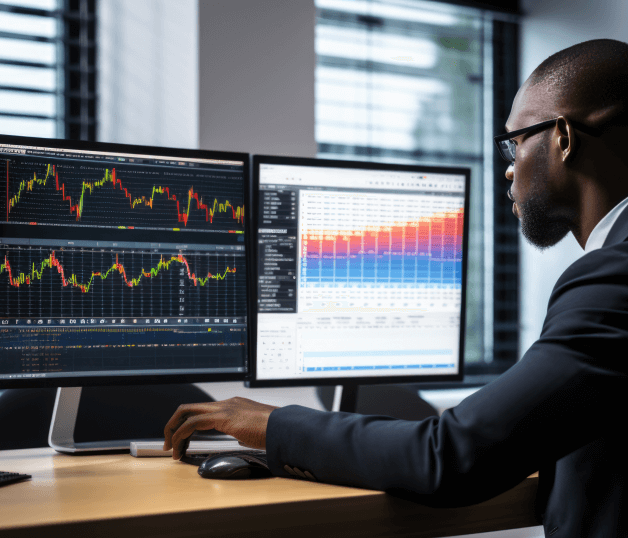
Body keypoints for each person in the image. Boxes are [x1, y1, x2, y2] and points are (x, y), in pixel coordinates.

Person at [164, 39, 628, 537]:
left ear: (562, 137)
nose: (510, 168)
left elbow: (449, 456)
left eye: (515, 142)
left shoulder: (611, 280)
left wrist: (271, 424)